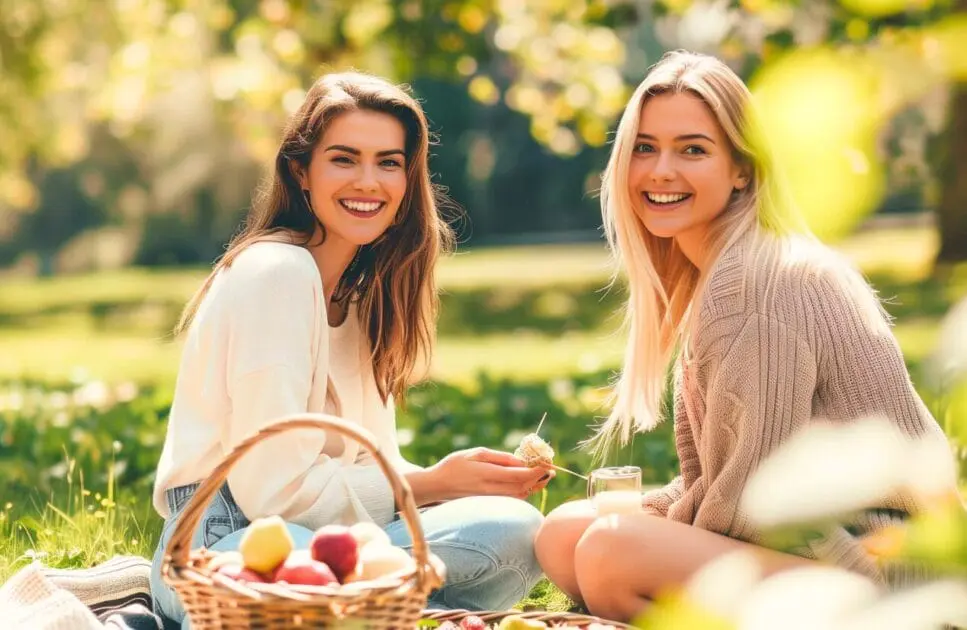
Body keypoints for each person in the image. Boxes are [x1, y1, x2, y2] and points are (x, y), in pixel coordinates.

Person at [533, 50, 955, 622]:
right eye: (645, 147)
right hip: (812, 539)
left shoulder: (753, 288)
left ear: (742, 168)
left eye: (693, 150)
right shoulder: (726, 266)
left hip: (878, 568)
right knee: (565, 534)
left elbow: (756, 506)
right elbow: (721, 478)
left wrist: (648, 532)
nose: (660, 170)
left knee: (610, 550)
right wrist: (659, 513)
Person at [148, 71, 550, 628]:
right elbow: (273, 496)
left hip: (331, 543)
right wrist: (435, 482)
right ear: (300, 172)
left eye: (389, 162)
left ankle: (359, 615)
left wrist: (454, 479)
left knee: (517, 530)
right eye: (344, 159)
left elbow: (365, 466)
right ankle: (363, 613)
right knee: (294, 562)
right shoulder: (276, 272)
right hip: (227, 538)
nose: (369, 182)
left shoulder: (360, 301)